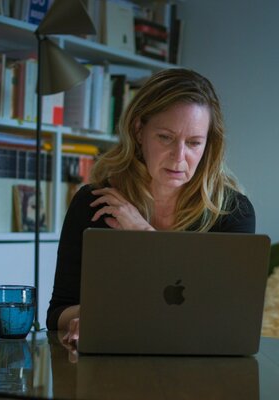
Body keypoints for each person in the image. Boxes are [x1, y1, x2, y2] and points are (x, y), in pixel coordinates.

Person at [46, 68, 256, 343]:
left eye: (194, 143)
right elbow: (57, 313)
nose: (179, 157)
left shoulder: (232, 212)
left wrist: (143, 234)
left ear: (208, 145)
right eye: (165, 137)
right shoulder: (93, 203)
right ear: (138, 131)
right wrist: (94, 316)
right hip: (116, 357)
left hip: (200, 361)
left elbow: (228, 317)